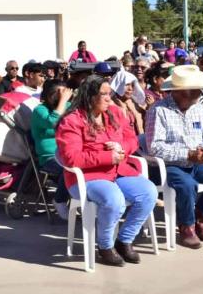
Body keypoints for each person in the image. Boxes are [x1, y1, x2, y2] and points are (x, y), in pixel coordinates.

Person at [56, 75, 157, 266]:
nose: (109, 98)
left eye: (109, 94)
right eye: (104, 94)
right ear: (90, 96)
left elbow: (133, 139)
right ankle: (105, 247)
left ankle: (124, 240)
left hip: (119, 170)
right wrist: (107, 157)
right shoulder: (72, 121)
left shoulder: (115, 113)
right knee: (114, 199)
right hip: (86, 177)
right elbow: (72, 158)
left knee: (148, 192)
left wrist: (120, 147)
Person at [145, 66, 203, 249]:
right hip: (170, 165)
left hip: (197, 162)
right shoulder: (159, 110)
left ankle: (200, 218)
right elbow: (154, 147)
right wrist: (187, 154)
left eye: (198, 89)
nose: (198, 93)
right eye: (193, 90)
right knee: (187, 185)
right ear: (178, 92)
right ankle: (186, 226)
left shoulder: (199, 108)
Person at [31, 79, 73, 221]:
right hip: (49, 157)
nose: (61, 96)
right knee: (69, 170)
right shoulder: (39, 110)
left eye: (63, 92)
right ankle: (59, 200)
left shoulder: (69, 106)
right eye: (58, 93)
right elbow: (53, 121)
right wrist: (63, 101)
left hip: (69, 152)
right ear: (48, 94)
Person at [110, 70, 147, 135]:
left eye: (132, 85)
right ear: (119, 85)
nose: (130, 88)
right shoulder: (111, 104)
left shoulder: (134, 103)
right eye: (127, 85)